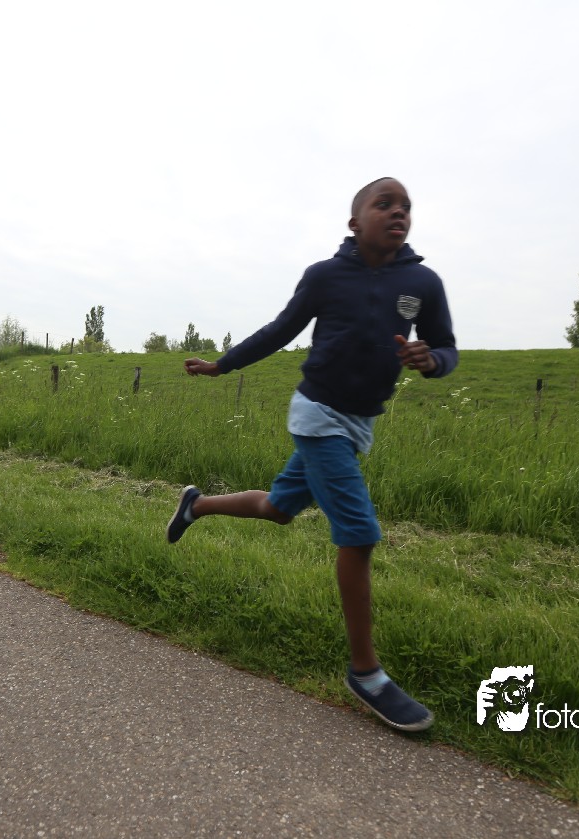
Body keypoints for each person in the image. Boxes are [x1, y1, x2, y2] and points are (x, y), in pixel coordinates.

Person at [166, 177, 457, 732]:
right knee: (359, 534)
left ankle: (195, 505)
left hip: (358, 423)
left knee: (278, 508)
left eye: (406, 206)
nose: (398, 212)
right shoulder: (325, 276)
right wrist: (221, 365)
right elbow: (280, 330)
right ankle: (366, 673)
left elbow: (446, 346)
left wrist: (432, 360)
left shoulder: (423, 282)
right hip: (317, 414)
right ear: (355, 222)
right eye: (384, 204)